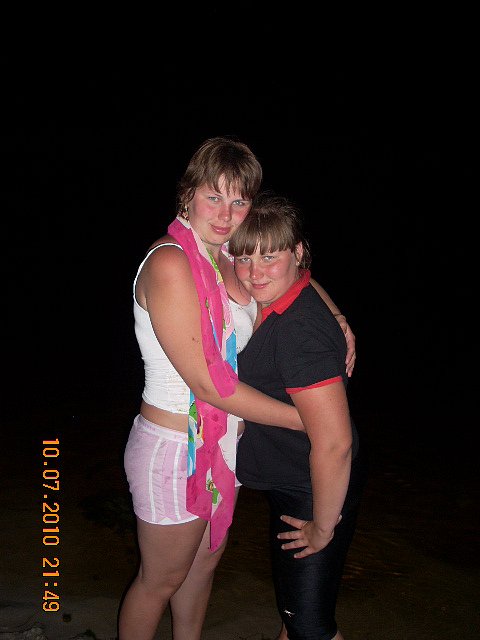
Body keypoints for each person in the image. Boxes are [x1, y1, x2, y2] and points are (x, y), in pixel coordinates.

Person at [118, 137, 356, 640]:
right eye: (214, 197)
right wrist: (305, 420)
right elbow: (208, 383)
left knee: (201, 570)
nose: (227, 215)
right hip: (174, 447)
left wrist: (336, 316)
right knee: (159, 581)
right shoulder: (170, 263)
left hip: (222, 443)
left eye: (239, 201)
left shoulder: (228, 254)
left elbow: (289, 270)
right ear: (187, 194)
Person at [229, 193, 367, 640]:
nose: (254, 273)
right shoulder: (286, 296)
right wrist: (339, 313)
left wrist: (323, 527)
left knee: (311, 627)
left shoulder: (299, 331)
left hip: (314, 488)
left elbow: (335, 444)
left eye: (269, 257)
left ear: (298, 253)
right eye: (245, 259)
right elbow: (296, 277)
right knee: (295, 617)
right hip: (293, 480)